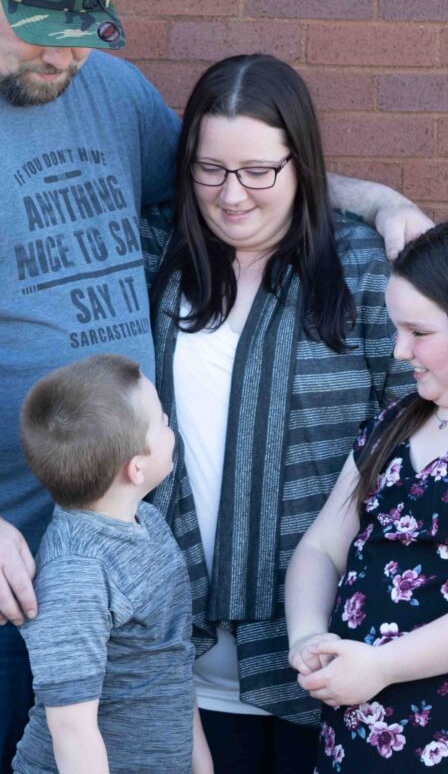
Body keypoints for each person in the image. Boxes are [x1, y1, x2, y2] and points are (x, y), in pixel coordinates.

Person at [0, 0, 429, 774]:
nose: (56, 55)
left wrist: (381, 204)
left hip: (96, 537)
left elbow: (233, 178)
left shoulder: (110, 92)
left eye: (77, 34)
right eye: (36, 28)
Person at [140, 54, 417, 774]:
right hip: (180, 657)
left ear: (300, 162)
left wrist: (380, 202)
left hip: (328, 656)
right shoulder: (152, 257)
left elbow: (420, 440)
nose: (231, 195)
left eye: (257, 171)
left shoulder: (361, 269)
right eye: (210, 169)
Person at [286, 216, 448, 772]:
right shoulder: (396, 424)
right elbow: (322, 547)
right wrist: (308, 634)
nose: (401, 351)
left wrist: (383, 665)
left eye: (419, 332)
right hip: (359, 730)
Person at [14, 353, 212, 774]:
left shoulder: (149, 522)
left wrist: (200, 762)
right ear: (136, 468)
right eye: (161, 421)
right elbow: (72, 730)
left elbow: (169, 657)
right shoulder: (77, 573)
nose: (169, 427)